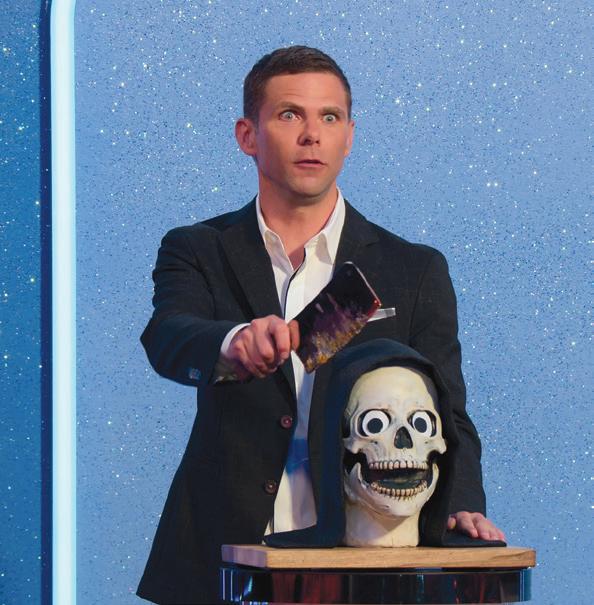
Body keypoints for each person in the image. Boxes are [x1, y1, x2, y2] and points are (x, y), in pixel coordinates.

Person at [137, 46, 505, 605]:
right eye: (290, 114)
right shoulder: (198, 248)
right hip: (224, 556)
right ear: (247, 135)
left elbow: (448, 410)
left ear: (349, 136)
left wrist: (461, 505)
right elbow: (168, 336)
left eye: (329, 117)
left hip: (368, 563)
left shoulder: (413, 269)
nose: (312, 135)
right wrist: (232, 344)